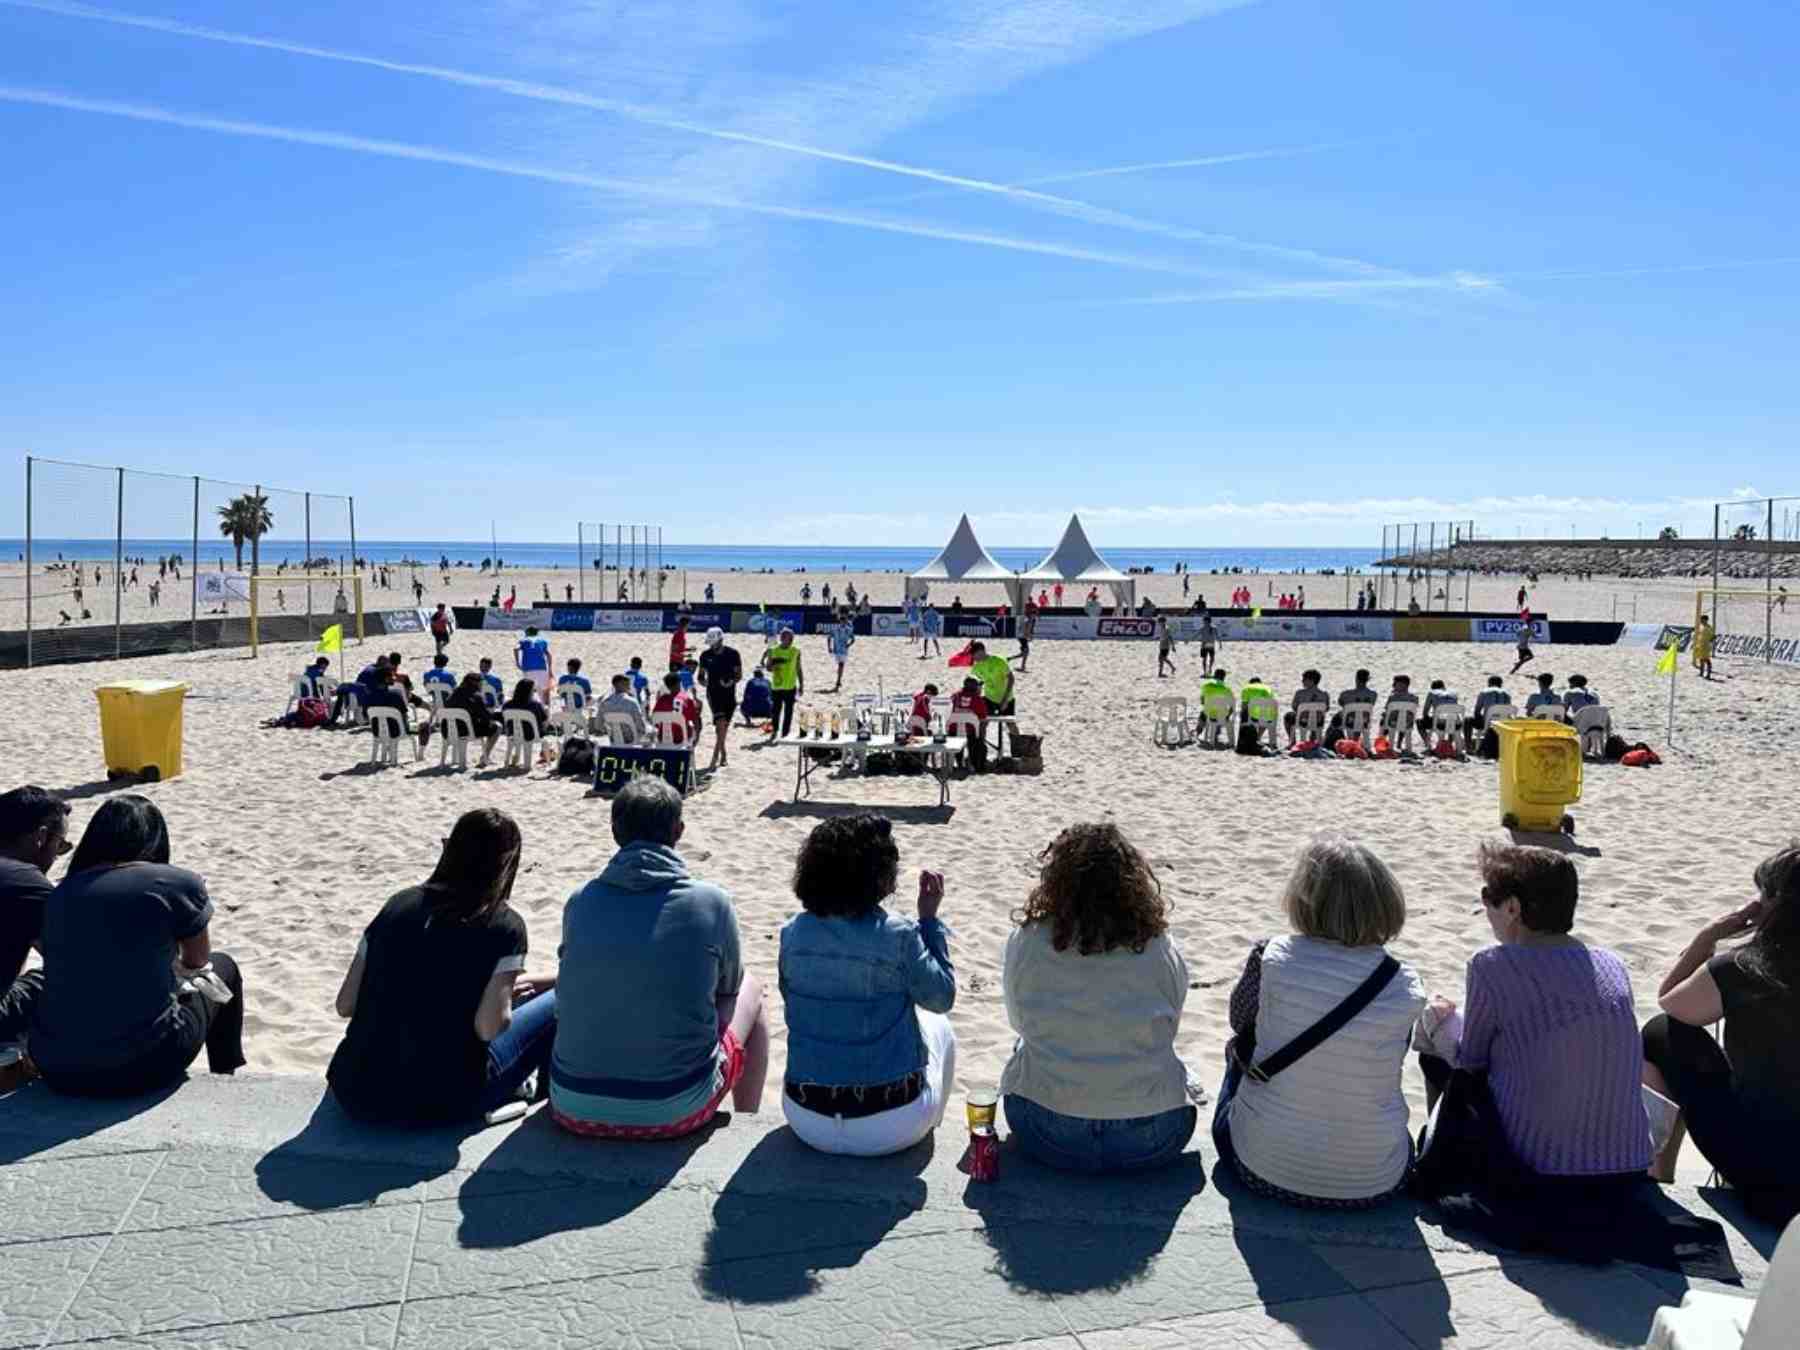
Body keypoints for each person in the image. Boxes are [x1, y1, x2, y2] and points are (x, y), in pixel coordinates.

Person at [1417, 843, 1651, 1183]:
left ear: (1512, 907)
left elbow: (1471, 1061)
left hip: (1541, 1171)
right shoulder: (1611, 964)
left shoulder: (1492, 965)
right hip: (1628, 1165)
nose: (1485, 907)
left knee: (1434, 1047)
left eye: (1488, 897)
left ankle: (1441, 1166)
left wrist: (1439, 1022)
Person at [550, 778, 769, 1137]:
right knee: (753, 990)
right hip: (673, 1109)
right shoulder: (711, 902)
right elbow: (728, 988)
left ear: (614, 831)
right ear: (678, 831)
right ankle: (747, 1123)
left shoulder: (581, 900)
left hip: (572, 1104)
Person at [1214, 837, 1425, 1206]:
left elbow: (1240, 1020)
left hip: (1260, 1169)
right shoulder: (1402, 982)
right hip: (1374, 1183)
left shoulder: (1270, 956)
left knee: (1240, 1049)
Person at [327, 809, 556, 1124]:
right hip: (444, 1101)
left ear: (448, 848)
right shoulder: (505, 926)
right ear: (506, 863)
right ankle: (536, 1097)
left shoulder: (397, 906)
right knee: (559, 1003)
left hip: (354, 1091)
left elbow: (345, 1004)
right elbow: (489, 1027)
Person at [1000, 824, 1197, 1173]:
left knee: (1022, 1044)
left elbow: (1018, 1022)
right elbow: (1171, 1022)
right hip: (1152, 1136)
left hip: (1047, 1133)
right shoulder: (1158, 946)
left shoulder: (1029, 940)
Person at [28, 797, 245, 1095]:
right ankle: (225, 1074)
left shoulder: (61, 893)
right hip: (143, 1065)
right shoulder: (178, 883)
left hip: (55, 1065)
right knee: (224, 968)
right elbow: (197, 961)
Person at [780, 815, 956, 1156]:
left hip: (806, 1118)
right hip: (891, 1122)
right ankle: (934, 1127)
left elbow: (792, 999)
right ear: (880, 875)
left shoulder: (792, 932)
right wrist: (930, 922)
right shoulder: (899, 933)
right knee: (940, 1025)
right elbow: (942, 997)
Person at [1642, 845, 1800, 1223]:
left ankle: (1658, 1174)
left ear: (1778, 907)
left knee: (1662, 1032)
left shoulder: (1747, 969)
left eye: (1762, 896)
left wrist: (1706, 939)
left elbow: (1670, 1003)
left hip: (1767, 1183)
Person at [0, 787, 71, 1045]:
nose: (57, 855)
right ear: (41, 836)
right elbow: (69, 963)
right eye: (60, 845)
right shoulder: (27, 883)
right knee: (49, 979)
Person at [421, 672, 501, 763]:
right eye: (481, 683)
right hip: (467, 731)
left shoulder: (454, 693)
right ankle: (485, 756)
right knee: (497, 727)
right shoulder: (477, 696)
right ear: (476, 683)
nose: (482, 685)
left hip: (447, 731)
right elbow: (486, 717)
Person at [696, 627, 742, 772]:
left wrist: (730, 682)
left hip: (729, 694)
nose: (711, 645)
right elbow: (700, 676)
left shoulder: (733, 654)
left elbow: (739, 675)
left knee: (722, 728)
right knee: (721, 724)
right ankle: (715, 758)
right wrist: (704, 682)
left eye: (713, 642)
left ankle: (723, 753)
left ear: (720, 640)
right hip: (713, 694)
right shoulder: (705, 655)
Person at [763, 627, 803, 740]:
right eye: (788, 638)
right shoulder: (773, 650)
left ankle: (785, 734)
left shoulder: (796, 651)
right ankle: (775, 730)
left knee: (788, 712)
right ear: (782, 638)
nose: (791, 640)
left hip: (790, 686)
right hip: (777, 685)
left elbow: (799, 668)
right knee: (776, 710)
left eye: (792, 638)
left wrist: (801, 685)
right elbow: (768, 668)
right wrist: (774, 665)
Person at [652, 672, 703, 747]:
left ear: (667, 686)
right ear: (679, 683)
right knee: (696, 721)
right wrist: (697, 736)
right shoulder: (687, 700)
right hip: (682, 738)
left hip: (663, 738)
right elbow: (695, 721)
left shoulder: (662, 700)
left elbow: (655, 719)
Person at [951, 677, 990, 772]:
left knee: (958, 735)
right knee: (978, 741)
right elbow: (983, 718)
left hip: (953, 730)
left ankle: (960, 763)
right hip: (970, 732)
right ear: (975, 687)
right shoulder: (977, 699)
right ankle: (975, 764)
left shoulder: (955, 696)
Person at [598, 673, 650, 743]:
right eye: (627, 685)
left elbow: (598, 725)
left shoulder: (604, 703)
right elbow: (641, 725)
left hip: (614, 739)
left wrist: (609, 732)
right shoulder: (632, 702)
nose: (629, 687)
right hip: (632, 739)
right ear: (620, 685)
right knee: (651, 732)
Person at [1284, 669, 1329, 745]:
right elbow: (1326, 709)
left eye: (1304, 679)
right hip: (1318, 723)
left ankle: (1292, 741)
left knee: (1288, 716)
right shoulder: (1324, 694)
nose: (1302, 681)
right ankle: (1313, 739)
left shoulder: (1300, 693)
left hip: (1302, 722)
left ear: (1311, 681)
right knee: (1317, 716)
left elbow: (1294, 707)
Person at [515, 625, 552, 696]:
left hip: (528, 667)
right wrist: (550, 668)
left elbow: (516, 648)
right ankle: (545, 705)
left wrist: (517, 662)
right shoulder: (543, 641)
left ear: (527, 632)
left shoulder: (523, 640)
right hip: (541, 667)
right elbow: (548, 654)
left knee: (529, 689)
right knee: (543, 690)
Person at [826, 613, 855, 694]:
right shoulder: (835, 629)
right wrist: (829, 647)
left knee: (841, 665)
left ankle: (838, 680)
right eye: (842, 621)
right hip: (836, 650)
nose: (843, 622)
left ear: (846, 621)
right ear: (840, 621)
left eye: (844, 621)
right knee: (840, 665)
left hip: (844, 650)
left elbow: (853, 639)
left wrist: (848, 645)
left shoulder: (849, 629)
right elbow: (829, 637)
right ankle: (839, 679)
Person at [1692, 614, 1715, 679]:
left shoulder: (1709, 628)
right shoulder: (1702, 627)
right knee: (1701, 659)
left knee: (1707, 660)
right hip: (1701, 645)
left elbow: (1713, 637)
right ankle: (1701, 673)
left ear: (1705, 620)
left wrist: (1709, 642)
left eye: (1702, 620)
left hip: (1706, 646)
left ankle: (1708, 674)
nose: (1701, 621)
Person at [1012, 607, 1035, 672]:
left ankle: (1010, 658)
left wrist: (1028, 636)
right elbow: (1026, 630)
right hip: (1022, 637)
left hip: (1021, 637)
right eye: (1033, 614)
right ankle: (1022, 667)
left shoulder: (1027, 619)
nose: (1034, 616)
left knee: (1023, 653)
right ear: (1031, 615)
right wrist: (1028, 637)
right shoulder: (1029, 620)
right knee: (1026, 652)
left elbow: (1024, 629)